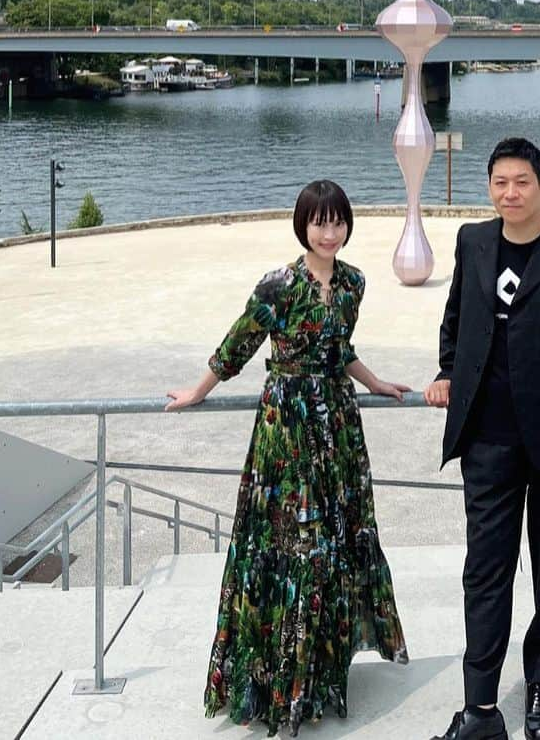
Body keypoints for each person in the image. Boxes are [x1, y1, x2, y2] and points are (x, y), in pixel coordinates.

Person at [166, 179, 410, 736]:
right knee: (291, 548)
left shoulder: (353, 283)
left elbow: (340, 349)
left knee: (334, 543)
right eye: (319, 222)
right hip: (287, 426)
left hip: (338, 426)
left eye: (338, 221)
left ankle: (319, 674)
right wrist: (197, 391)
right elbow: (238, 344)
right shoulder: (279, 286)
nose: (330, 232)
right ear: (302, 225)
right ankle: (279, 680)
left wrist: (375, 383)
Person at [424, 138, 540, 740]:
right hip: (487, 439)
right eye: (501, 182)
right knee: (485, 570)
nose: (511, 193)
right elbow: (456, 318)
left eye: (522, 182)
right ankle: (480, 705)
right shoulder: (473, 242)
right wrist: (447, 370)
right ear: (490, 188)